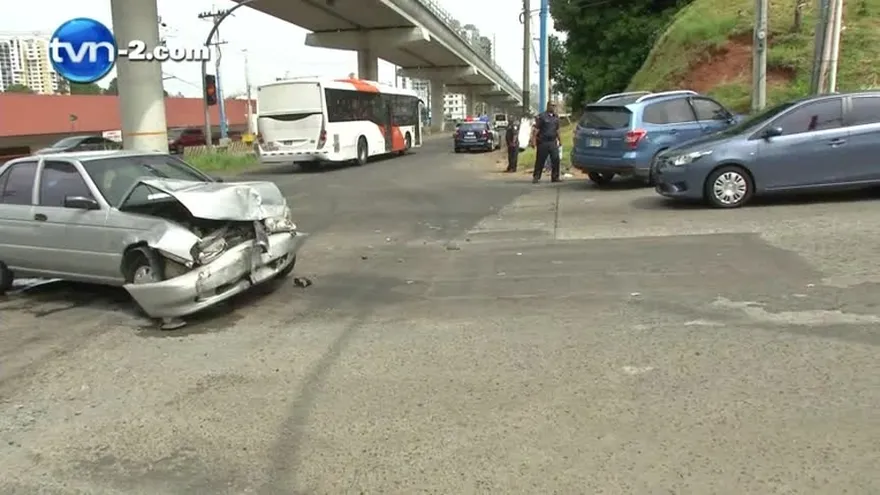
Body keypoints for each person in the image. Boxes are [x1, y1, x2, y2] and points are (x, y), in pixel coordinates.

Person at [530, 102, 562, 183]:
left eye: (555, 106)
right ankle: (536, 176)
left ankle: (555, 177)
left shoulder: (556, 117)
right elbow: (536, 130)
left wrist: (560, 140)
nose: (553, 107)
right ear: (548, 106)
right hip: (543, 142)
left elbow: (557, 130)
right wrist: (533, 141)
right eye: (552, 105)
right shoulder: (542, 116)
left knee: (556, 159)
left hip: (552, 142)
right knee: (540, 160)